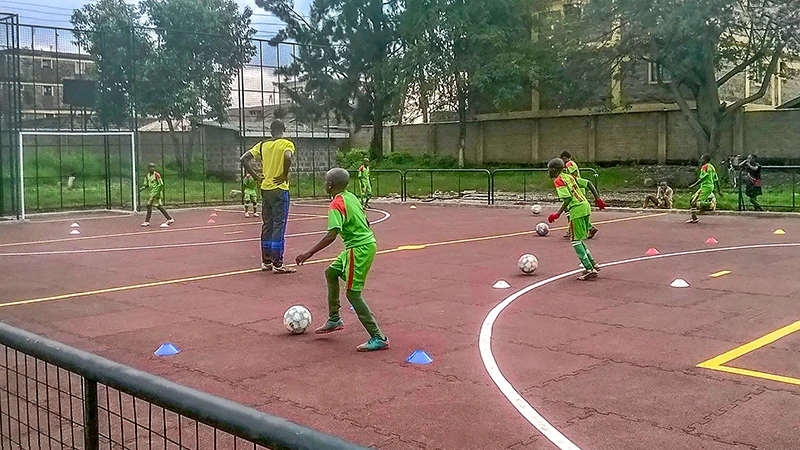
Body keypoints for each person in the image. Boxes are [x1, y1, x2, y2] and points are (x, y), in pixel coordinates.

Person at [295, 168, 389, 352]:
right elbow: (366, 221)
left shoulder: (336, 204)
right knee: (331, 272)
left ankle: (378, 337)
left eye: (325, 181)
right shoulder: (351, 197)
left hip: (358, 249)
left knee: (353, 294)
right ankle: (334, 319)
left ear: (330, 185)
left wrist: (308, 253)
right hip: (361, 244)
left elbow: (332, 235)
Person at [240, 120, 296, 274]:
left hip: (266, 189)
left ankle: (266, 261)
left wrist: (256, 176)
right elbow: (288, 157)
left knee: (267, 224)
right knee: (279, 225)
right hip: (280, 188)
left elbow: (244, 159)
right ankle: (278, 262)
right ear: (283, 129)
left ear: (270, 131)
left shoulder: (262, 145)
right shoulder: (287, 144)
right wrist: (284, 174)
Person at [547, 158, 601, 281]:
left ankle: (589, 269)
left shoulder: (559, 180)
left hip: (576, 209)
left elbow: (568, 199)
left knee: (575, 241)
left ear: (554, 170)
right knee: (579, 239)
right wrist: (597, 198)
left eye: (549, 169)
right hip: (585, 206)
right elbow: (588, 183)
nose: (548, 172)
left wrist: (557, 214)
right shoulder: (569, 177)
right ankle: (593, 264)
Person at [560, 151, 600, 239]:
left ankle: (574, 230)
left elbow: (573, 174)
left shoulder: (570, 164)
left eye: (563, 158)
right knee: (573, 211)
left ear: (566, 158)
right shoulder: (569, 166)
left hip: (575, 189)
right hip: (574, 188)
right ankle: (588, 228)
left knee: (571, 210)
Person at [687, 154, 722, 223]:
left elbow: (701, 179)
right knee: (692, 200)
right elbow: (716, 179)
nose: (701, 160)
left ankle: (710, 204)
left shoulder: (704, 167)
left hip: (705, 187)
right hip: (709, 186)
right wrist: (719, 190)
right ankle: (694, 217)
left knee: (694, 202)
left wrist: (693, 185)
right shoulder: (712, 167)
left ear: (705, 159)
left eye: (702, 159)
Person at [139, 163, 174, 227]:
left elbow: (161, 184)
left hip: (156, 193)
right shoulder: (147, 176)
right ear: (148, 168)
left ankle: (147, 221)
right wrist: (142, 188)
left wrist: (158, 192)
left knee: (149, 205)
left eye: (153, 167)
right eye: (150, 167)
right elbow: (146, 185)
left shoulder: (157, 175)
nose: (152, 168)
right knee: (158, 206)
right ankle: (170, 219)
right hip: (152, 193)